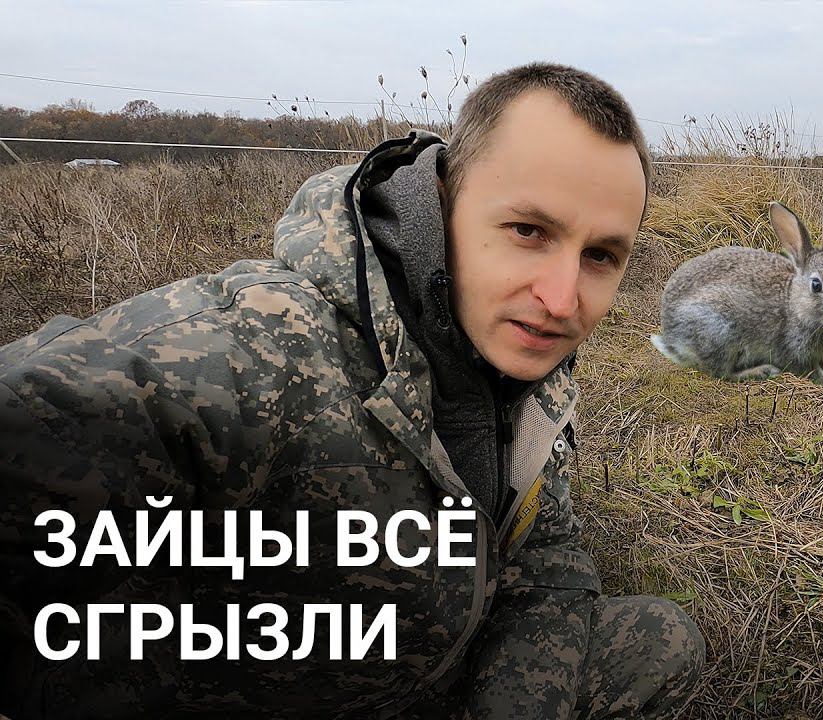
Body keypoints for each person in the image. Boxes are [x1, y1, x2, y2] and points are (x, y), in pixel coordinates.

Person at [0, 63, 704, 719]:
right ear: (441, 202)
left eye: (600, 255)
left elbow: (545, 552)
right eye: (528, 230)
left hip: (422, 671)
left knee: (661, 641)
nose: (562, 299)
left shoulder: (516, 349)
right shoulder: (248, 352)